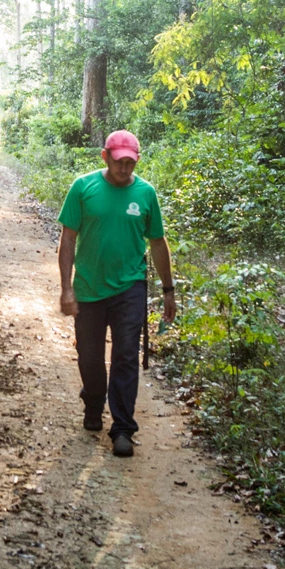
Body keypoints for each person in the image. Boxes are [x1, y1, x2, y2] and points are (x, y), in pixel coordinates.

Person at [58, 129, 175, 457]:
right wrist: (67, 288)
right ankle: (94, 401)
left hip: (130, 287)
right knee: (90, 357)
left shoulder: (146, 193)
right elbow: (68, 239)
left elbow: (157, 243)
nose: (124, 168)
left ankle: (123, 426)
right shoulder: (83, 187)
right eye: (119, 161)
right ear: (105, 156)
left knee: (126, 355)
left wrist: (169, 290)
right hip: (89, 289)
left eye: (130, 162)